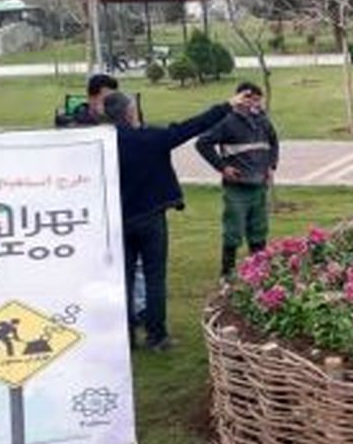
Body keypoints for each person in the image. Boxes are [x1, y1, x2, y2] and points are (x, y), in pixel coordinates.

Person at [103, 89, 249, 351]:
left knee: (123, 278)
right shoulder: (151, 138)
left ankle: (127, 340)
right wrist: (227, 105)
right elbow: (191, 127)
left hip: (118, 221)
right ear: (129, 112)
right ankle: (156, 336)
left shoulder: (101, 145)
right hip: (151, 218)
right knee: (154, 277)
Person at [195, 81, 281, 278]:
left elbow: (273, 142)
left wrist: (271, 165)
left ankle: (259, 271)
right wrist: (222, 167)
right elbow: (202, 143)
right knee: (233, 230)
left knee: (259, 229)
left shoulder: (262, 121)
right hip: (237, 189)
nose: (257, 106)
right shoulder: (227, 122)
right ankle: (228, 273)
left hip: (260, 185)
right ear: (241, 99)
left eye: (259, 101)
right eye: (253, 100)